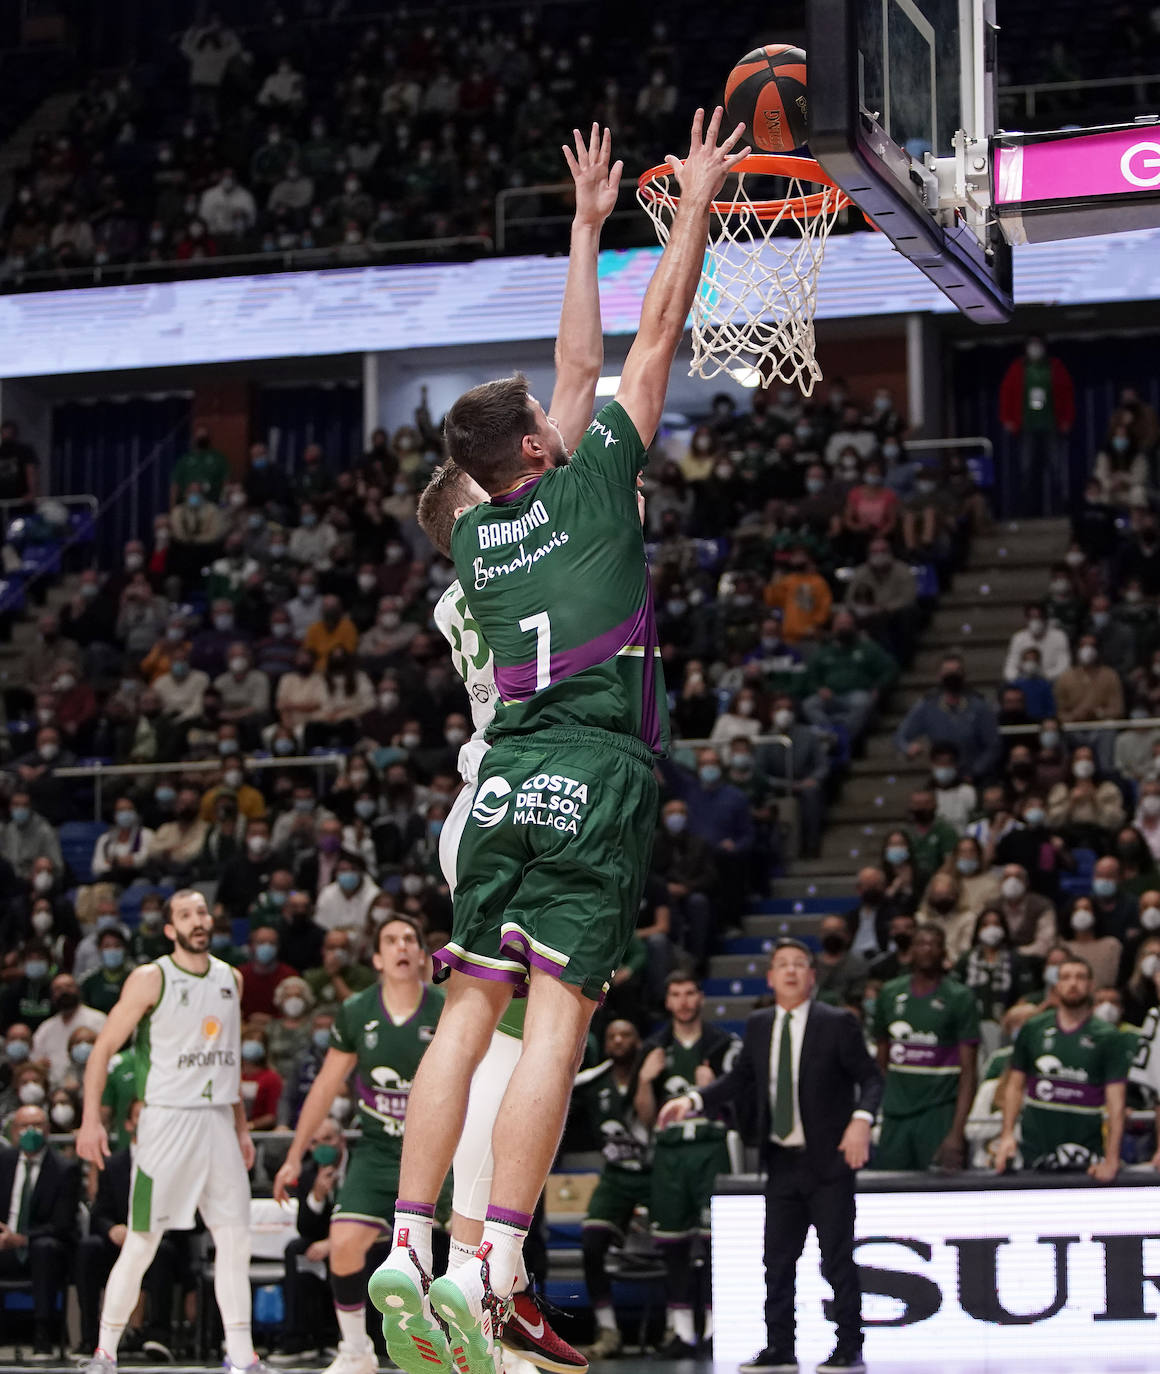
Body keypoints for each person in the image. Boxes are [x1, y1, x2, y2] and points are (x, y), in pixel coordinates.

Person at [368, 109, 749, 1374]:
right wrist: (674, 204)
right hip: (588, 767)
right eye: (546, 416)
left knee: (462, 1011)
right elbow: (639, 342)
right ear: (539, 449)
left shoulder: (470, 547)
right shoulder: (590, 486)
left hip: (499, 778)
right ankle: (494, 1266)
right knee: (556, 1024)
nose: (559, 410)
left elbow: (569, 377)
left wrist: (583, 227)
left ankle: (409, 1246)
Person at [659, 939, 883, 1374]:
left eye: (800, 964)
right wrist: (693, 1100)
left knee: (836, 1258)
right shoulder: (760, 1024)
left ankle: (849, 1347)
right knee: (777, 1261)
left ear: (812, 975)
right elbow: (738, 1079)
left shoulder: (837, 1023)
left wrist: (861, 1120)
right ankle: (780, 1347)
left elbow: (871, 1079)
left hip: (829, 1164)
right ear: (770, 977)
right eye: (782, 965)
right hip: (780, 1161)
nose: (791, 971)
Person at [75, 890, 265, 1374]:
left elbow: (230, 1057)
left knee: (235, 1238)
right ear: (169, 928)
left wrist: (242, 1128)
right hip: (166, 1121)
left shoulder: (232, 978)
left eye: (202, 912)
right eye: (186, 915)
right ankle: (105, 1352)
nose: (198, 921)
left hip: (219, 1121)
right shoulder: (150, 978)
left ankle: (242, 1357)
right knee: (142, 1240)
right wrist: (91, 1119)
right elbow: (101, 1052)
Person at [272, 917, 447, 1374]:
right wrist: (294, 1156)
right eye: (391, 940)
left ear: (422, 954)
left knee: (474, 1252)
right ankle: (356, 1351)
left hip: (442, 1152)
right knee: (345, 1244)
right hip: (378, 1150)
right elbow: (326, 1086)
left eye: (410, 938)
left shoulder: (447, 1007)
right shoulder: (356, 1010)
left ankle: (494, 1347)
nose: (402, 946)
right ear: (376, 958)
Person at [634, 973, 740, 1357]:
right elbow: (645, 1119)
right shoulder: (654, 1046)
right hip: (671, 1153)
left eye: (690, 992)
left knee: (715, 1243)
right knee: (673, 1244)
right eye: (675, 993)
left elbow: (742, 1101)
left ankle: (717, 1328)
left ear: (701, 997)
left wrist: (712, 1089)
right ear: (667, 1001)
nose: (683, 1000)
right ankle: (682, 1332)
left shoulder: (724, 1044)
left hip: (712, 1147)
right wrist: (646, 1082)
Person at [993, 956, 1128, 1175]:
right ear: (1056, 986)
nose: (1073, 983)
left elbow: (1116, 1102)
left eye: (1080, 977)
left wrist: (1112, 1158)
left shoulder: (1109, 1037)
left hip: (1085, 1148)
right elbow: (1014, 1086)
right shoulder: (1033, 1028)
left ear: (1091, 985)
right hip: (1035, 1146)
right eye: (1065, 977)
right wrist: (1007, 1135)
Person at [76, 1099, 189, 1359]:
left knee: (161, 1250)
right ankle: (92, 1340)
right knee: (88, 1249)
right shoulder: (113, 1164)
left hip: (158, 1235)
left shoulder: (172, 1161)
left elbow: (182, 1208)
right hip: (117, 1240)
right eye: (140, 1115)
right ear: (129, 1124)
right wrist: (113, 1229)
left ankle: (157, 1337)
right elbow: (99, 1212)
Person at [873, 925, 980, 1170]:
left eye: (934, 944)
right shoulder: (889, 993)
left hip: (939, 1113)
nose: (927, 949)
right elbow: (881, 1058)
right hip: (896, 1114)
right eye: (921, 943)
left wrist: (956, 1132)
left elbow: (969, 1072)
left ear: (944, 951)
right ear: (910, 950)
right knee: (889, 1196)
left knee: (942, 1198)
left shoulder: (960, 996)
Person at [573, 1020, 648, 1359]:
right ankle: (608, 1329)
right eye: (612, 1035)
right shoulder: (592, 1081)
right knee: (591, 1242)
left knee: (683, 1246)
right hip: (616, 1175)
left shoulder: (657, 1074)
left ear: (639, 1040)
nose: (618, 1040)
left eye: (626, 1034)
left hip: (658, 1174)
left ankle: (684, 1329)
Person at [0, 1101, 81, 1357]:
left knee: (44, 1249)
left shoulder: (64, 1169)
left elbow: (62, 1224)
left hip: (43, 1246)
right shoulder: (3, 1162)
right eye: (24, 1126)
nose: (30, 1131)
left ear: (47, 1130)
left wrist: (23, 1239)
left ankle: (43, 1336)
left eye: (36, 1125)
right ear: (13, 1131)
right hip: (5, 1244)